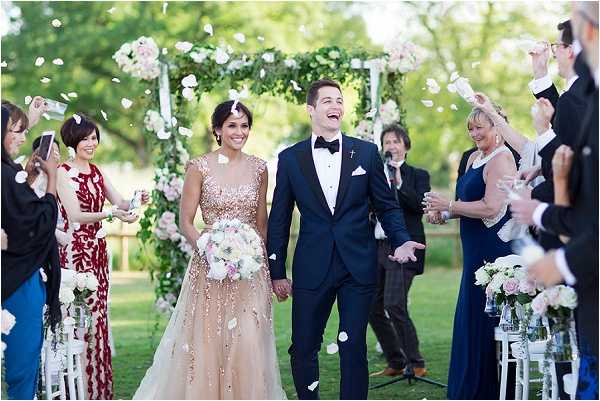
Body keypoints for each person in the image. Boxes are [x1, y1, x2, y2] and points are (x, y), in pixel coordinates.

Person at [267, 79, 424, 400]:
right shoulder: (290, 159)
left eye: (339, 100)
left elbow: (387, 205)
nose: (335, 106)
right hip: (312, 265)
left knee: (352, 345)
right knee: (304, 347)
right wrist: (277, 271)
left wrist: (401, 239)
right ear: (311, 110)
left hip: (358, 266)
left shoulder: (365, 153)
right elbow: (279, 218)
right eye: (327, 101)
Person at [134, 101, 286, 399]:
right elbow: (186, 221)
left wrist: (265, 267)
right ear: (217, 129)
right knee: (208, 339)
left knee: (247, 339)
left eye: (244, 126)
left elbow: (261, 223)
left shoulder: (259, 168)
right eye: (231, 125)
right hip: (209, 268)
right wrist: (210, 250)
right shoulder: (199, 166)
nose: (239, 132)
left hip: (250, 272)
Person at [511, 3, 598, 398]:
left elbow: (570, 157)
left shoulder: (584, 96)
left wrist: (542, 208)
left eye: (556, 45)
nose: (554, 51)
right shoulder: (582, 93)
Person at [424, 106, 517, 399]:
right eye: (471, 129)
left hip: (494, 251)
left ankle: (488, 390)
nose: (475, 134)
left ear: (498, 127)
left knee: (486, 319)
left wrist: (449, 206)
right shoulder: (473, 158)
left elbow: (490, 207)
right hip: (474, 250)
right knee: (470, 317)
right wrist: (443, 214)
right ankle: (468, 388)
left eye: (481, 128)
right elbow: (465, 203)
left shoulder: (503, 159)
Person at [56, 114, 148, 400]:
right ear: (73, 140)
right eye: (85, 138)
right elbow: (75, 215)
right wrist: (111, 213)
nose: (91, 143)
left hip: (97, 254)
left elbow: (120, 203)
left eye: (94, 137)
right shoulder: (62, 172)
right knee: (75, 317)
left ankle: (97, 390)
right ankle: (74, 389)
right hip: (73, 252)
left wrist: (135, 201)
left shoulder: (97, 171)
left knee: (97, 319)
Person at [1, 100, 62, 400]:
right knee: (22, 369)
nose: (24, 139)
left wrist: (30, 178)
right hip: (16, 282)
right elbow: (39, 224)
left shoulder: (10, 173)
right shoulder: (6, 175)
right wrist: (51, 178)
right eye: (17, 131)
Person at [368, 124, 429, 378]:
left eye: (395, 141)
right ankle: (395, 360)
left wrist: (400, 181)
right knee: (372, 305)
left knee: (394, 303)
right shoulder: (376, 174)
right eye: (387, 142)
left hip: (405, 247)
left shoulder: (418, 175)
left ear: (406, 145)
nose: (391, 146)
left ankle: (415, 362)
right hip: (378, 245)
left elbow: (418, 205)